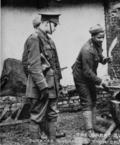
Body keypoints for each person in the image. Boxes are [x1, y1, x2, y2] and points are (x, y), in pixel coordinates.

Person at [22, 13, 63, 143]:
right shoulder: (34, 39)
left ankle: (52, 141)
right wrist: (42, 86)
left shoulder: (49, 40)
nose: (55, 28)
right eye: (54, 25)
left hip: (51, 85)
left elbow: (56, 63)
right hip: (41, 87)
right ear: (46, 23)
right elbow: (32, 66)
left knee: (52, 114)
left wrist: (58, 82)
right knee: (37, 116)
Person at [72, 24, 110, 143]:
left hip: (89, 76)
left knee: (93, 99)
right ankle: (89, 130)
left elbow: (99, 57)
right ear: (92, 36)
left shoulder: (97, 45)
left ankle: (94, 125)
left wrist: (105, 60)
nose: (101, 40)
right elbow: (87, 71)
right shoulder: (87, 50)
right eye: (99, 37)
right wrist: (100, 81)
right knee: (87, 101)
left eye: (103, 37)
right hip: (81, 77)